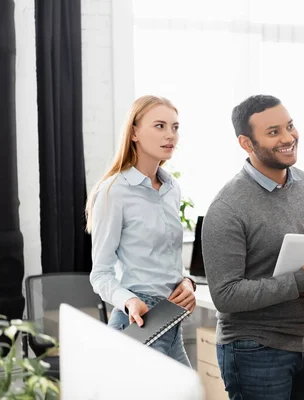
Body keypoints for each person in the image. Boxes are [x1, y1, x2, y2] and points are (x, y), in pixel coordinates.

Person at [201, 94, 304, 400]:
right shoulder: (227, 207)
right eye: (273, 132)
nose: (288, 138)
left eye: (289, 126)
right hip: (253, 347)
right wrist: (300, 281)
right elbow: (225, 295)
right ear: (246, 143)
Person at [87, 95, 196, 366]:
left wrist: (186, 283)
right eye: (159, 126)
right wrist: (130, 300)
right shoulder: (114, 191)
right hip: (137, 322)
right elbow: (100, 274)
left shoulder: (172, 188)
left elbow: (164, 259)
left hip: (171, 321)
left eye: (175, 127)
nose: (170, 135)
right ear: (134, 132)